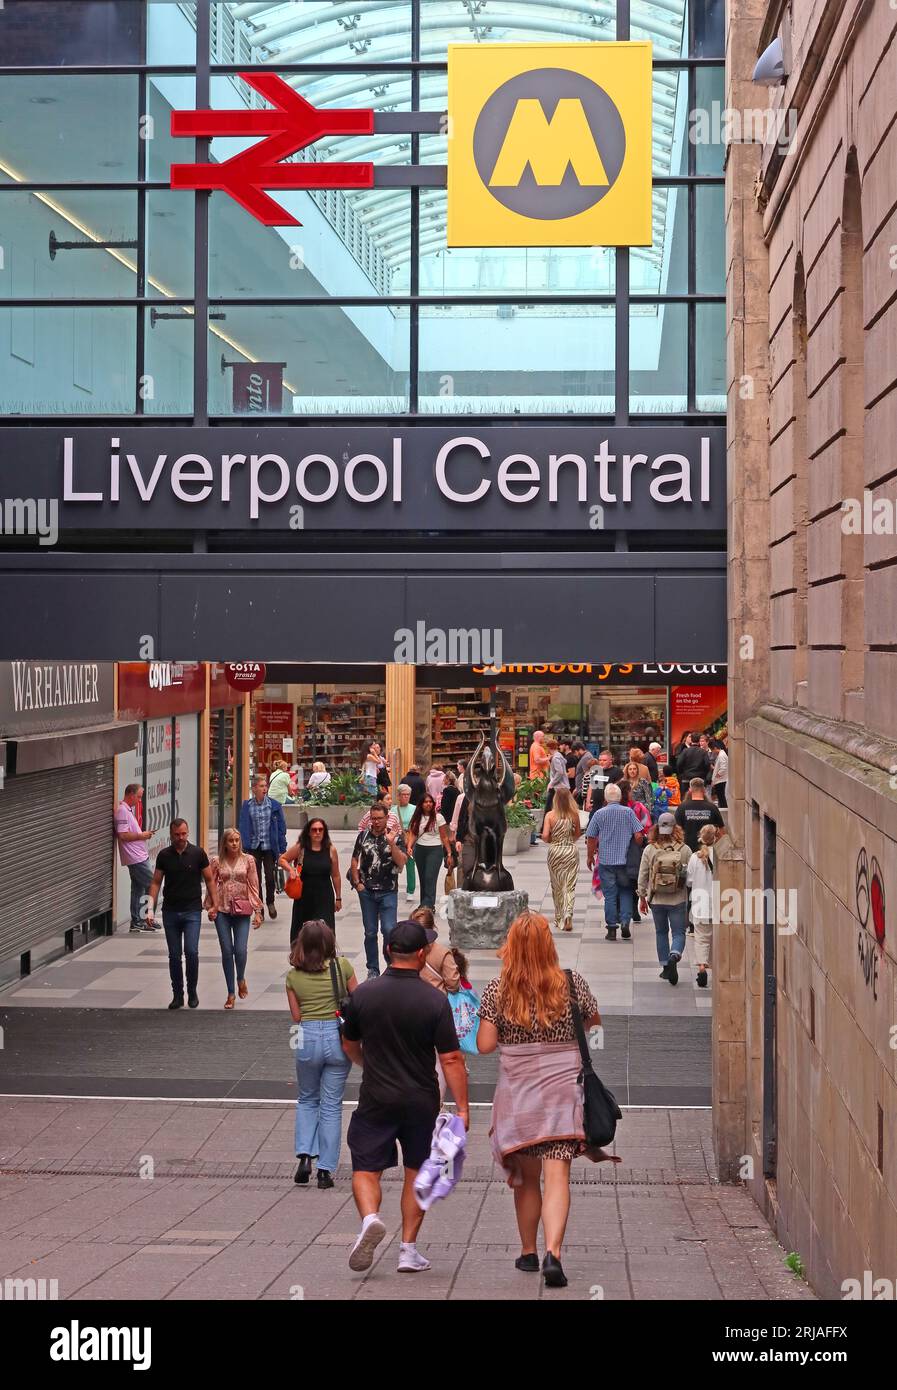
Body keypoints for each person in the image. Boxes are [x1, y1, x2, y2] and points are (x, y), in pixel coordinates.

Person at [477, 912, 620, 1288]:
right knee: (558, 1175)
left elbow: (486, 1045)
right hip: (562, 1095)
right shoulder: (570, 984)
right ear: (548, 945)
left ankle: (528, 1251)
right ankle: (553, 1253)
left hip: (519, 1096)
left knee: (526, 1178)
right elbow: (595, 1024)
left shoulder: (498, 990)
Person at [340, 920, 469, 1274]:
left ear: (387, 952)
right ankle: (408, 1250)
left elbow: (349, 1043)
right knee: (417, 1170)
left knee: (366, 1167)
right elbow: (451, 1058)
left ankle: (369, 1219)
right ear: (422, 953)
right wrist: (461, 1107)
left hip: (377, 1096)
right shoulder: (434, 1000)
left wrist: (367, 1063)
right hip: (420, 1100)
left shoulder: (363, 994)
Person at [286, 919, 357, 1189]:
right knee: (331, 1105)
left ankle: (305, 1156)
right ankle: (325, 1171)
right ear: (329, 943)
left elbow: (296, 1016)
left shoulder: (293, 977)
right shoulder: (343, 967)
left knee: (306, 1099)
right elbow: (359, 1000)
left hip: (306, 1037)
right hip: (337, 1037)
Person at [146, 819, 218, 1010]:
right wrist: (149, 909)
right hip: (170, 911)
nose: (181, 838)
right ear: (171, 834)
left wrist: (214, 905)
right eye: (177, 834)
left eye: (184, 834)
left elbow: (210, 880)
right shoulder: (164, 855)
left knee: (192, 952)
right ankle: (177, 994)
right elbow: (155, 882)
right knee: (174, 955)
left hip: (192, 911)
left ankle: (192, 991)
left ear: (188, 832)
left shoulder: (197, 853)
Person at [350, 802, 407, 978]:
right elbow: (354, 860)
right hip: (367, 891)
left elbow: (402, 862)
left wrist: (392, 844)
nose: (375, 822)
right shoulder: (363, 836)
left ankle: (390, 963)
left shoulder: (396, 837)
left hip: (388, 890)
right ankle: (373, 968)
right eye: (373, 819)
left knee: (389, 929)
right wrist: (357, 883)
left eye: (379, 819)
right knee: (370, 931)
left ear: (387, 818)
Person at [208, 829, 263, 1008]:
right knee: (226, 951)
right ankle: (231, 993)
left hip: (242, 910)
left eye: (237, 840)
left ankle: (240, 977)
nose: (234, 843)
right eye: (230, 840)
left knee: (240, 950)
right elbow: (212, 884)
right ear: (224, 843)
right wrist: (211, 906)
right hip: (222, 910)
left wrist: (258, 911)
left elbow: (254, 885)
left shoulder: (248, 860)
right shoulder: (216, 861)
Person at [637, 813, 692, 986]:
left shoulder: (650, 849)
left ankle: (665, 966)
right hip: (678, 898)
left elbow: (643, 874)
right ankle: (674, 955)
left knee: (661, 932)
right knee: (678, 932)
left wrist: (642, 897)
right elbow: (689, 876)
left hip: (657, 899)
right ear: (676, 828)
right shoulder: (684, 849)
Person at [585, 783, 644, 941]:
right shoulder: (628, 812)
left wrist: (590, 856)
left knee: (610, 895)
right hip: (625, 861)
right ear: (619, 797)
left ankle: (611, 928)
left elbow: (591, 837)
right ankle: (625, 922)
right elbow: (639, 835)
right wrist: (636, 846)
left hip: (606, 861)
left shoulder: (599, 814)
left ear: (605, 797)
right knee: (625, 892)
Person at [280, 817, 342, 944]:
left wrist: (338, 897)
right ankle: (301, 958)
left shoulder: (331, 850)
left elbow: (335, 875)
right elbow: (282, 859)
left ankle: (325, 959)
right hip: (304, 897)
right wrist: (291, 870)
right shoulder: (301, 848)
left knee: (325, 932)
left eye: (320, 830)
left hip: (324, 897)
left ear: (324, 832)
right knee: (302, 933)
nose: (317, 833)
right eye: (314, 830)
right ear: (308, 832)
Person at [238, 774, 287, 922]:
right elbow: (242, 826)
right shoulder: (247, 806)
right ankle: (259, 907)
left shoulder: (274, 805)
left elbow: (281, 828)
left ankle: (270, 901)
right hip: (253, 848)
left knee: (270, 876)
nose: (264, 788)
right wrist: (243, 846)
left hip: (269, 847)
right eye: (261, 786)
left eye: (265, 786)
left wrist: (282, 849)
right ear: (254, 789)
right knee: (255, 879)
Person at [114, 782, 156, 934]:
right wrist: (141, 835)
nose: (139, 800)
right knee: (152, 885)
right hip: (135, 858)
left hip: (139, 856)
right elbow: (123, 835)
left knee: (138, 888)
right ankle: (147, 918)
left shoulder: (127, 810)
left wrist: (143, 834)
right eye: (138, 797)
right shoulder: (122, 811)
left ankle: (137, 922)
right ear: (130, 794)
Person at [541, 787, 582, 933]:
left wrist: (554, 839)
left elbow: (545, 836)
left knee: (557, 885)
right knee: (570, 885)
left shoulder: (550, 815)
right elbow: (577, 834)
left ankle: (559, 917)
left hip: (555, 851)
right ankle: (568, 913)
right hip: (570, 850)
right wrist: (568, 839)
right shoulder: (574, 814)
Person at [407, 792, 454, 909]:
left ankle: (427, 904)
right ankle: (425, 903)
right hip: (420, 849)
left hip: (435, 850)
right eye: (425, 802)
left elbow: (444, 836)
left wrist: (449, 853)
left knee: (430, 877)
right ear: (421, 804)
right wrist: (409, 846)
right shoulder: (417, 817)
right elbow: (413, 833)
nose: (428, 804)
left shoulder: (439, 817)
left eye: (430, 802)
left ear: (433, 804)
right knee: (423, 878)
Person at [687, 825, 717, 988]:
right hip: (718, 902)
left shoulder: (694, 857)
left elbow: (689, 881)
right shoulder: (719, 855)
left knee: (701, 937)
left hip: (700, 902)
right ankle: (713, 965)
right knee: (715, 937)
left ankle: (701, 967)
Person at [409, 906, 461, 995]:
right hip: (437, 1001)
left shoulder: (405, 952)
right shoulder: (443, 953)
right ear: (433, 926)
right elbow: (453, 984)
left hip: (411, 1001)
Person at [675, 778, 725, 852]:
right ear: (704, 790)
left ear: (690, 790)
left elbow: (677, 831)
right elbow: (722, 832)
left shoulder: (682, 807)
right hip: (708, 852)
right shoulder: (712, 807)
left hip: (688, 851)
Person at [396, 783, 418, 901]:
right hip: (397, 840)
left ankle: (410, 890)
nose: (405, 797)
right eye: (403, 795)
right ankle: (393, 887)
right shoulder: (394, 809)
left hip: (410, 838)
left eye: (408, 795)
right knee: (394, 864)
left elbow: (416, 825)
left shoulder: (414, 808)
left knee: (410, 864)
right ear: (398, 796)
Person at [583, 750, 623, 814]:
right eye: (600, 760)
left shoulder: (617, 772)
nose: (601, 762)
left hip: (609, 806)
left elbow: (620, 789)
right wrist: (588, 802)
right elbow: (591, 786)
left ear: (610, 760)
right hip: (595, 806)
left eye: (604, 760)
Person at [544, 736, 569, 813]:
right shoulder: (559, 756)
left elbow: (560, 772)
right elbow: (564, 763)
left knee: (549, 808)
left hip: (557, 786)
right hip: (561, 786)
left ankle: (546, 824)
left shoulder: (555, 758)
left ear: (549, 748)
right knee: (559, 808)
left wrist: (551, 783)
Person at [710, 739, 729, 808]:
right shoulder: (722, 754)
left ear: (715, 748)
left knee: (721, 797)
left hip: (721, 780)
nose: (713, 752)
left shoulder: (721, 755)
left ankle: (723, 808)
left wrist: (717, 776)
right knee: (721, 797)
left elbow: (723, 768)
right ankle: (722, 807)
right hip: (720, 779)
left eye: (712, 750)